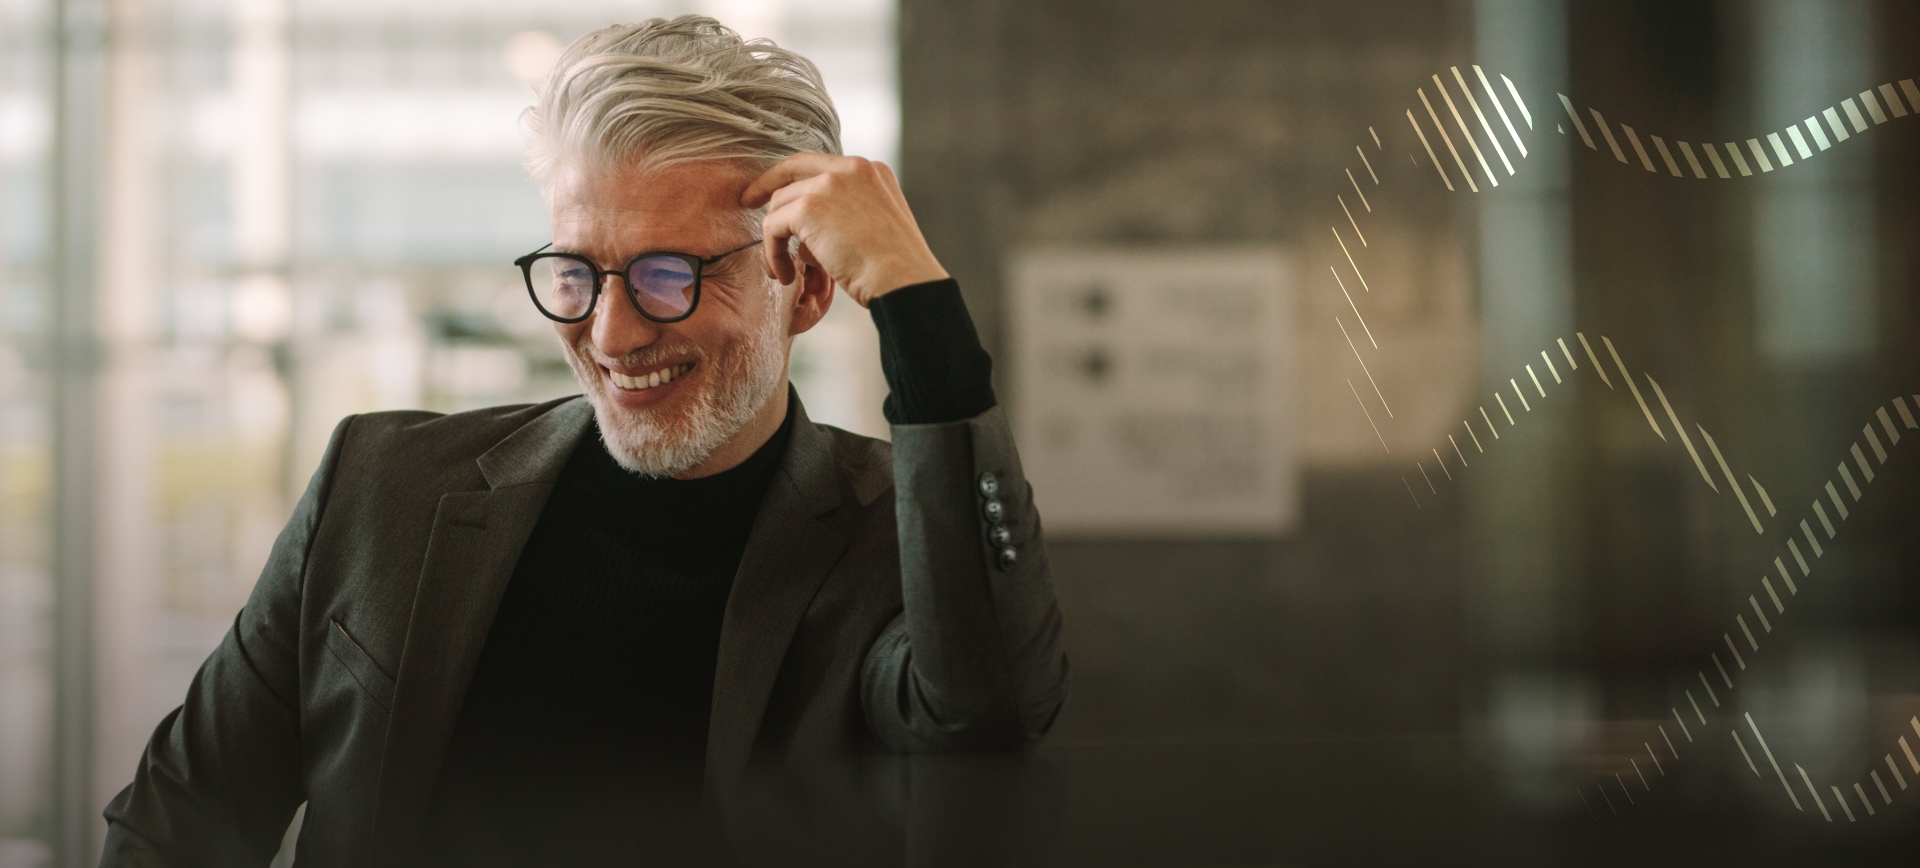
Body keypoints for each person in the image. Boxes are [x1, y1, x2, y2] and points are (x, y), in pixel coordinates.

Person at [100, 16, 1068, 866]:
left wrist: (916, 303)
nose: (610, 334)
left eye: (668, 274)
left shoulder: (894, 536)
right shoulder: (383, 482)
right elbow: (184, 814)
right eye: (575, 272)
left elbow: (981, 716)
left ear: (805, 287)